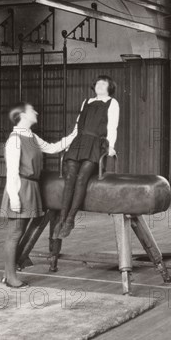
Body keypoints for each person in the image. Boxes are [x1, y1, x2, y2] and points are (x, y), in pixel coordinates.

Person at [1, 103, 69, 288]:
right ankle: (10, 277)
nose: (36, 112)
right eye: (32, 110)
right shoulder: (15, 140)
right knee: (15, 234)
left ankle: (9, 273)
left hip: (32, 187)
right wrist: (14, 198)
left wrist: (75, 134)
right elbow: (12, 172)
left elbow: (54, 148)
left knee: (21, 232)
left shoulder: (32, 136)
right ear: (22, 114)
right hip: (20, 187)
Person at [54, 75, 120, 239]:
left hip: (96, 144)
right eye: (98, 83)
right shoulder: (86, 102)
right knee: (70, 177)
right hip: (79, 142)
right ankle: (61, 219)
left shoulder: (112, 103)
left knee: (82, 178)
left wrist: (110, 146)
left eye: (104, 83)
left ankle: (70, 219)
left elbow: (112, 126)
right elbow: (77, 128)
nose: (100, 85)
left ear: (109, 87)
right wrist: (65, 144)